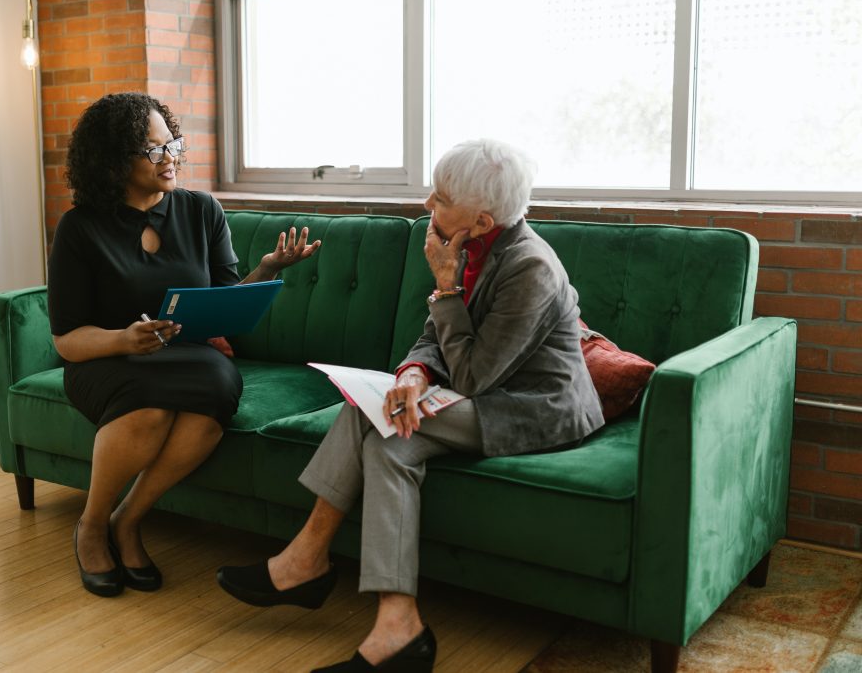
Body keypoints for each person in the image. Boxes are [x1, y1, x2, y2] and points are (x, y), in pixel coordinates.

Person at [216, 139, 604, 672]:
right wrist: (415, 374)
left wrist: (445, 290)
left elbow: (472, 375)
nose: (426, 204)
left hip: (533, 408)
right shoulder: (471, 244)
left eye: (441, 198)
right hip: (487, 392)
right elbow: (434, 340)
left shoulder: (530, 268)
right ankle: (386, 618)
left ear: (482, 219)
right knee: (374, 419)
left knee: (389, 432)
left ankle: (313, 568)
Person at [47, 92, 320, 598]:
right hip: (106, 359)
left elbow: (225, 302)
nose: (170, 156)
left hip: (186, 357)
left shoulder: (201, 210)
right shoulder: (79, 229)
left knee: (217, 385)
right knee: (149, 410)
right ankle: (91, 525)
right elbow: (66, 340)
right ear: (113, 162)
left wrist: (267, 272)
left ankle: (128, 520)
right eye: (153, 150)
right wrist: (123, 338)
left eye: (172, 143)